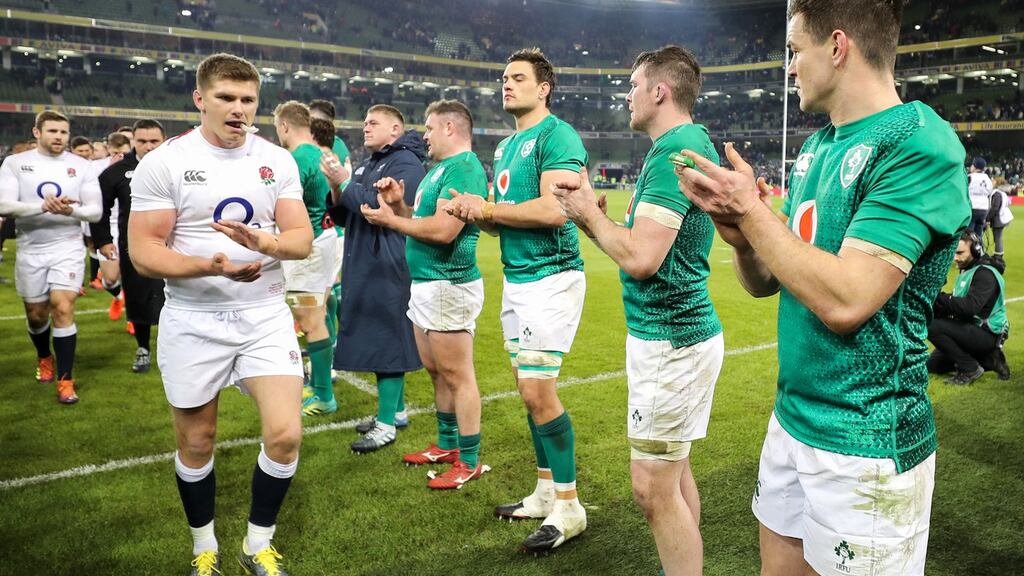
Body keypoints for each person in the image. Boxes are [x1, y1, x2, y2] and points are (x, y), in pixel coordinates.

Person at [674, 2, 970, 574]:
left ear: (837, 47)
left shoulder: (918, 143)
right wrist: (740, 233)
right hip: (791, 421)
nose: (788, 67)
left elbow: (846, 301)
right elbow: (767, 280)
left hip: (867, 442)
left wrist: (756, 217)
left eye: (794, 50)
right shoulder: (815, 149)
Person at [128, 53, 313, 576]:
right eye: (226, 98)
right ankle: (203, 545)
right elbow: (144, 251)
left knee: (285, 434)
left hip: (263, 314)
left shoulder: (276, 161)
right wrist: (207, 266)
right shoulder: (164, 162)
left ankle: (257, 544)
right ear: (200, 99)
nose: (238, 110)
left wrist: (266, 241)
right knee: (197, 440)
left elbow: (300, 241)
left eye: (248, 100)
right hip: (193, 317)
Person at [553, 45, 722, 576]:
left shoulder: (680, 146)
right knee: (673, 476)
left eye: (632, 85)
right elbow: (640, 246)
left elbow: (643, 258)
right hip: (669, 336)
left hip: (672, 339)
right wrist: (589, 220)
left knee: (652, 489)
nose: (626, 95)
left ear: (659, 91)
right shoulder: (672, 147)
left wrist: (588, 216)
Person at [445, 47, 589, 553]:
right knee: (526, 389)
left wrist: (487, 206)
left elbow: (556, 209)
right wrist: (474, 213)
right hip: (517, 279)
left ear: (543, 87)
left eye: (518, 78)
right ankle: (547, 490)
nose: (506, 85)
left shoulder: (557, 135)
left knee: (536, 391)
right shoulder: (507, 146)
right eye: (504, 78)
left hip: (552, 277)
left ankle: (570, 507)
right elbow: (503, 217)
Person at [360, 99, 489, 489]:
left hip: (449, 282)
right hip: (428, 284)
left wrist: (393, 221)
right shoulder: (440, 170)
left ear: (450, 128)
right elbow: (426, 219)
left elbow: (446, 232)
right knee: (437, 371)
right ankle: (447, 445)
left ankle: (468, 460)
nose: (425, 136)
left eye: (430, 129)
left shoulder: (465, 169)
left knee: (458, 375)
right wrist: (400, 204)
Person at [322, 104, 425, 453]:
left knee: (387, 339)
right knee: (377, 335)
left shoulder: (406, 163)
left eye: (373, 123)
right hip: (364, 257)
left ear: (395, 128)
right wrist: (336, 190)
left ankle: (386, 426)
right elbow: (344, 213)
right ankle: (394, 412)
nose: (365, 128)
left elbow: (383, 208)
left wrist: (345, 183)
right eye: (364, 121)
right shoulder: (371, 163)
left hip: (389, 260)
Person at [0, 110, 102, 404]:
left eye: (63, 132)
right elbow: (4, 205)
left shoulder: (82, 166)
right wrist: (42, 207)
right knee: (36, 315)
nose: (59, 137)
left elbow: (94, 210)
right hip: (31, 248)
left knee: (62, 306)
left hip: (67, 247)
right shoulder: (16, 163)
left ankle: (65, 380)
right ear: (37, 133)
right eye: (53, 131)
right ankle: (44, 356)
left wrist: (71, 211)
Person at [272, 101, 338, 416]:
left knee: (310, 321)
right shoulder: (323, 154)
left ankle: (322, 395)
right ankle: (322, 389)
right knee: (318, 315)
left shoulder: (295, 159)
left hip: (306, 248)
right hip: (324, 241)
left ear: (284, 126)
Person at [90, 118, 167, 373]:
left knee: (179, 296)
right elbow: (100, 207)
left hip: (176, 244)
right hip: (134, 245)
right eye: (142, 141)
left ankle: (177, 349)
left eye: (154, 141)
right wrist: (102, 240)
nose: (148, 146)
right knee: (138, 295)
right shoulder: (116, 171)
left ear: (163, 140)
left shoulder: (177, 167)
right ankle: (143, 348)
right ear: (133, 141)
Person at [928, 231, 1010, 384]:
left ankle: (970, 368)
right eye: (954, 253)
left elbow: (969, 308)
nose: (955, 258)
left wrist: (939, 297)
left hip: (987, 334)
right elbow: (956, 306)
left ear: (976, 250)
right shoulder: (970, 271)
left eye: (960, 253)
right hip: (972, 330)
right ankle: (988, 360)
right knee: (933, 366)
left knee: (932, 325)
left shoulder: (985, 274)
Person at [308, 99, 350, 361]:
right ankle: (337, 342)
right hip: (333, 229)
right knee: (330, 289)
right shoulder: (340, 146)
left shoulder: (326, 149)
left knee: (317, 299)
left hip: (327, 229)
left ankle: (332, 348)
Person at [93, 131, 134, 326]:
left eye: (123, 153)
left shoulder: (137, 165)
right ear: (109, 150)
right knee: (109, 279)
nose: (119, 157)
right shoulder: (97, 167)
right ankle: (118, 297)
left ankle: (134, 318)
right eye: (115, 152)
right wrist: (109, 172)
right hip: (109, 226)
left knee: (136, 276)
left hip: (131, 225)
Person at [985, 180, 1013, 268]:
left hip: (998, 219)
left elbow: (994, 208)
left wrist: (987, 218)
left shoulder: (996, 193)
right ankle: (998, 254)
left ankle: (998, 256)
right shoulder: (1002, 193)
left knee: (997, 238)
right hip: (1002, 218)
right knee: (998, 238)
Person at [968, 157, 992, 237]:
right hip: (984, 209)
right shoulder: (988, 179)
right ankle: (980, 248)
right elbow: (989, 193)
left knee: (968, 235)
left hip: (972, 208)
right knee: (979, 234)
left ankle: (970, 249)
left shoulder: (970, 177)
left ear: (974, 166)